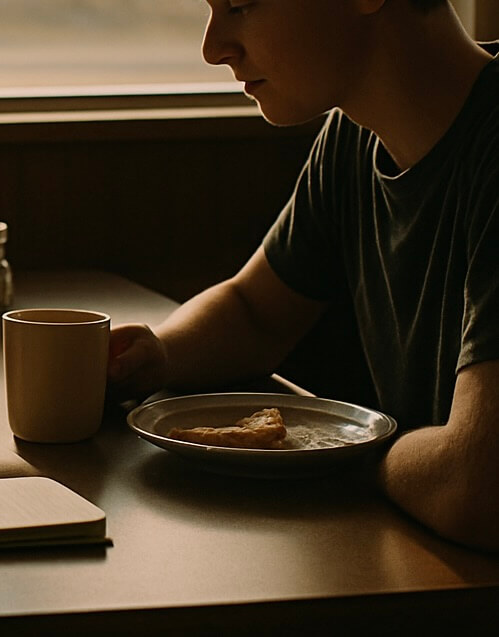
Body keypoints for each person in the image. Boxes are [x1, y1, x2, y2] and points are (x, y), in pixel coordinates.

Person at [108, 0, 499, 552]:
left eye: (240, 5)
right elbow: (255, 311)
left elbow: (478, 489)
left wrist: (338, 451)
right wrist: (154, 357)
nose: (213, 48)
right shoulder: (355, 133)